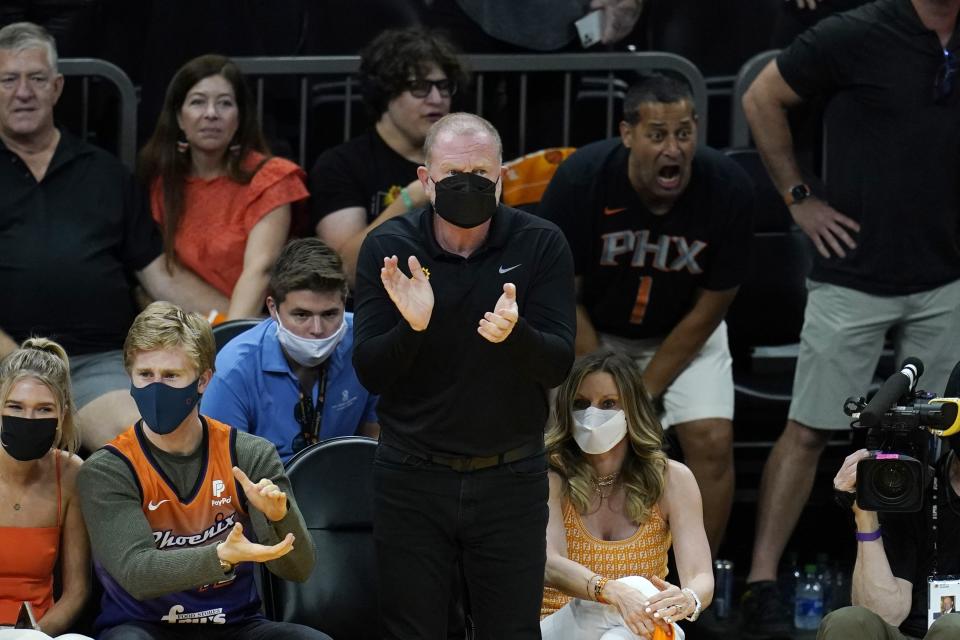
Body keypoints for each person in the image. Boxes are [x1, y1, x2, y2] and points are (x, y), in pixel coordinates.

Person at [738, 1, 960, 636]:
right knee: (808, 431)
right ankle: (759, 579)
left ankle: (934, 586)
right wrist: (799, 200)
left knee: (943, 441)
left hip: (944, 275)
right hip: (854, 276)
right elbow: (761, 98)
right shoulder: (859, 30)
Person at [352, 112, 577, 638]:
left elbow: (558, 362)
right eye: (454, 174)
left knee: (512, 632)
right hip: (411, 476)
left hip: (511, 477)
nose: (469, 184)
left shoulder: (541, 244)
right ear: (426, 180)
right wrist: (412, 327)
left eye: (481, 172)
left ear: (501, 177)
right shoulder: (387, 250)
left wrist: (514, 334)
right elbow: (369, 373)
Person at [537, 73, 754, 556]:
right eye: (658, 135)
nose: (673, 148)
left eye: (684, 133)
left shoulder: (729, 188)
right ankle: (576, 577)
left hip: (684, 336)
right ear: (628, 133)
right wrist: (607, 383)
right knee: (569, 446)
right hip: (590, 333)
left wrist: (643, 393)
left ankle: (694, 588)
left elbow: (713, 304)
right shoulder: (582, 179)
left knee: (713, 440)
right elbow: (559, 295)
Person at [0, 22, 232, 451]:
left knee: (141, 443)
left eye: (35, 78)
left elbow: (159, 275)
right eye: (8, 79)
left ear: (57, 87)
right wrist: (19, 361)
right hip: (6, 364)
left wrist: (241, 323)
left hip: (95, 364)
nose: (23, 91)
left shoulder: (105, 174)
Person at [77, 302, 329, 640]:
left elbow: (299, 570)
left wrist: (279, 518)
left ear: (203, 380)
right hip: (144, 628)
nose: (156, 387)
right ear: (130, 378)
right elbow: (137, 574)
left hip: (234, 625)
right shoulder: (109, 469)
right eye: (145, 375)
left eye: (171, 376)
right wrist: (219, 555)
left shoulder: (249, 453)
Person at [540, 351, 713, 640]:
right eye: (580, 404)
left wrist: (688, 598)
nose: (592, 414)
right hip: (558, 627)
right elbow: (550, 564)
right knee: (639, 591)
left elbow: (700, 575)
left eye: (608, 403)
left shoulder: (673, 479)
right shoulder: (551, 477)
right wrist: (613, 591)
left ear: (632, 409)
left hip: (636, 628)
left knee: (623, 633)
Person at [140, 54, 309, 320]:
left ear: (240, 118)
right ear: (179, 119)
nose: (211, 114)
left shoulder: (271, 178)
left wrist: (230, 345)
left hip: (253, 330)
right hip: (185, 331)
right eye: (197, 102)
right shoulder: (162, 183)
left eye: (225, 104)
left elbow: (260, 270)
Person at [309, 26, 467, 286]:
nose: (436, 99)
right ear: (386, 91)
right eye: (419, 87)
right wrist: (409, 200)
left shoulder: (465, 159)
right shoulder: (341, 165)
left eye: (443, 86)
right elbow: (344, 273)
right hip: (375, 310)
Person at [203, 237, 379, 463]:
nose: (317, 330)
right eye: (302, 315)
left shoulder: (365, 341)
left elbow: (373, 436)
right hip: (261, 490)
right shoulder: (233, 371)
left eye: (329, 314)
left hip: (344, 482)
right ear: (273, 308)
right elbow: (222, 469)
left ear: (344, 302)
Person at [818, 447, 960, 639]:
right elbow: (883, 614)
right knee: (848, 621)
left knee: (954, 627)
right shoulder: (910, 482)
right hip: (909, 633)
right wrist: (863, 510)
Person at [0, 339, 90, 640]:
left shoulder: (70, 473)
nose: (28, 419)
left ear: (61, 416)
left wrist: (38, 633)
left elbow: (77, 591)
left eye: (43, 409)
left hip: (38, 633)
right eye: (15, 407)